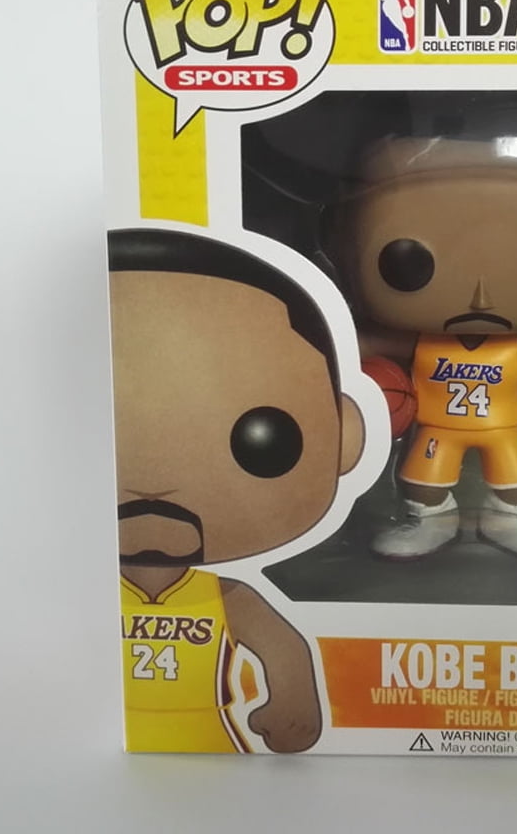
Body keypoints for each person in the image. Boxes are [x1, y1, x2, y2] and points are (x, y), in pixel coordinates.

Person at [109, 229, 365, 752]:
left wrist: (292, 700)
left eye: (260, 439)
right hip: (94, 743)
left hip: (211, 738)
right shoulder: (73, 594)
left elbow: (284, 649)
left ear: (345, 435)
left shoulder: (225, 597)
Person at [345, 100, 517, 560]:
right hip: (437, 428)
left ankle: (515, 517)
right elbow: (362, 342)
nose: (482, 300)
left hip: (502, 427)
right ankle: (429, 519)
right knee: (423, 482)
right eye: (411, 262)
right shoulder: (422, 339)